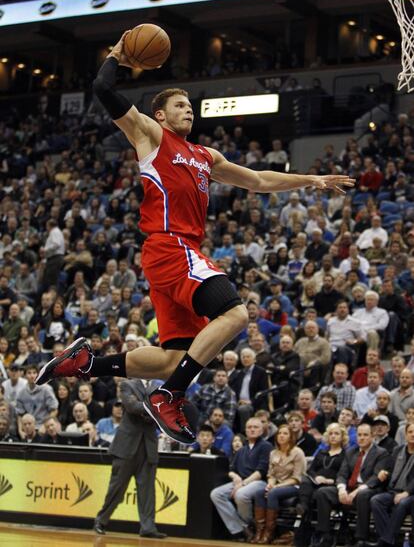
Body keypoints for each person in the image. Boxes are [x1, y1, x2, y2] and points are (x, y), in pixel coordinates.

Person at [35, 31, 354, 444]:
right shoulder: (151, 136)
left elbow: (257, 179)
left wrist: (310, 179)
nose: (189, 111)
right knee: (237, 315)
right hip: (171, 246)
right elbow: (102, 87)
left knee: (173, 358)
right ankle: (171, 396)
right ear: (161, 116)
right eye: (180, 106)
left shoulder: (206, 157)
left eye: (191, 106)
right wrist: (118, 52)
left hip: (171, 256)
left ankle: (88, 363)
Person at [93, 378, 167, 538]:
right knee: (116, 489)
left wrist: (150, 409)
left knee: (148, 491)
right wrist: (156, 407)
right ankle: (101, 520)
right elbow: (132, 406)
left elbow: (164, 411)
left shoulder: (160, 386)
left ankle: (148, 528)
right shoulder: (128, 384)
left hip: (148, 446)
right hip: (126, 447)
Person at [314, 424, 388, 547]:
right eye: (359, 435)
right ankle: (325, 534)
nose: (362, 438)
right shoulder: (350, 452)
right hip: (349, 488)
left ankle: (361, 538)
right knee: (323, 492)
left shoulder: (381, 453)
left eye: (365, 435)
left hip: (369, 489)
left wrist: (356, 491)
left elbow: (375, 478)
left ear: (372, 436)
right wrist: (341, 490)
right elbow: (342, 474)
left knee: (363, 495)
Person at [210, 417, 273, 542]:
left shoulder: (266, 446)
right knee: (216, 494)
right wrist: (236, 478)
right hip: (241, 482)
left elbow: (261, 471)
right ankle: (241, 528)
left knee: (240, 494)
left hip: (259, 482)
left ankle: (250, 525)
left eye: (255, 427)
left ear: (262, 430)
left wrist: (242, 484)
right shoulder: (242, 449)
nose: (252, 430)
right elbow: (231, 469)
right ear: (245, 430)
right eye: (249, 427)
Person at [250, 424, 306, 545]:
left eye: (285, 433)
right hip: (276, 486)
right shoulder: (273, 453)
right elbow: (271, 474)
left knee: (273, 493)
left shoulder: (297, 452)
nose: (281, 436)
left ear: (291, 437)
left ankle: (269, 532)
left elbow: (297, 478)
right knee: (259, 493)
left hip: (294, 486)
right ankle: (260, 531)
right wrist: (270, 484)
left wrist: (276, 487)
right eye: (280, 433)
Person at [295, 423, 347, 547]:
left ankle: (322, 533)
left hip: (333, 486)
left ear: (343, 437)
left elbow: (344, 473)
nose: (333, 436)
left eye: (336, 434)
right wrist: (317, 477)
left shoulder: (346, 455)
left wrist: (331, 481)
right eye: (331, 434)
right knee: (306, 481)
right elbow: (311, 470)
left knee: (319, 493)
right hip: (316, 483)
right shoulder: (321, 452)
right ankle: (303, 507)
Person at [370, 423, 414, 547]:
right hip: (394, 490)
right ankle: (389, 540)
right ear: (405, 435)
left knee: (402, 503)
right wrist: (384, 472)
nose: (413, 434)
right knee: (376, 500)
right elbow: (389, 469)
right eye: (410, 432)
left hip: (411, 493)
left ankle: (384, 542)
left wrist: (406, 493)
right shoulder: (397, 450)